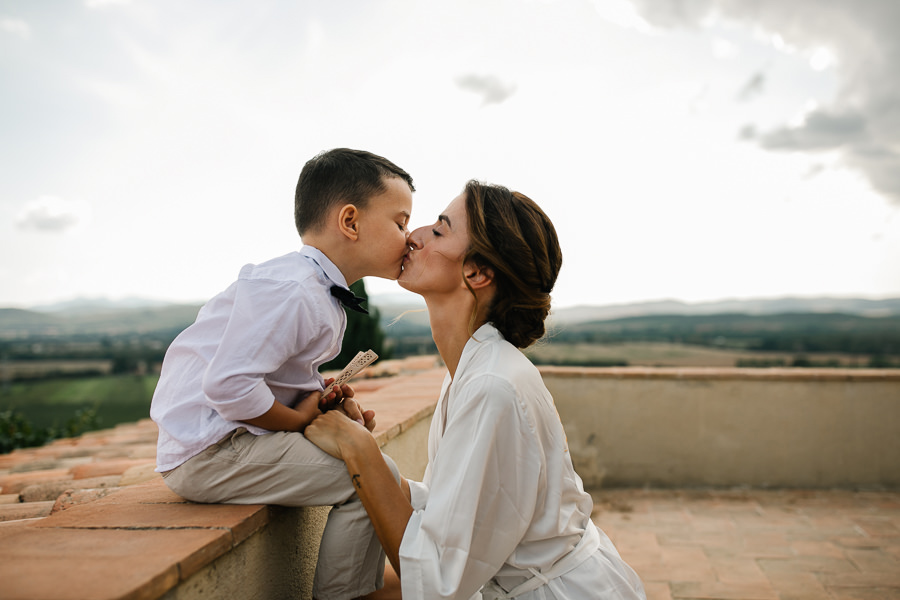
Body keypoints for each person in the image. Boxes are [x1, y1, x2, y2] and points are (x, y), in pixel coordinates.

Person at [305, 180, 646, 599]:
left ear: (478, 272)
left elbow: (439, 583)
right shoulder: (471, 368)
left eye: (439, 229)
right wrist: (378, 467)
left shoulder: (492, 385)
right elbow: (458, 508)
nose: (413, 236)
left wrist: (360, 450)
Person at [150, 148, 415, 600]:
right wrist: (304, 424)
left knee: (372, 464)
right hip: (207, 452)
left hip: (230, 440)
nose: (409, 238)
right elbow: (228, 385)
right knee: (369, 476)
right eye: (401, 222)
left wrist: (320, 399)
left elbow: (273, 374)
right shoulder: (293, 291)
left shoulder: (314, 289)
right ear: (350, 222)